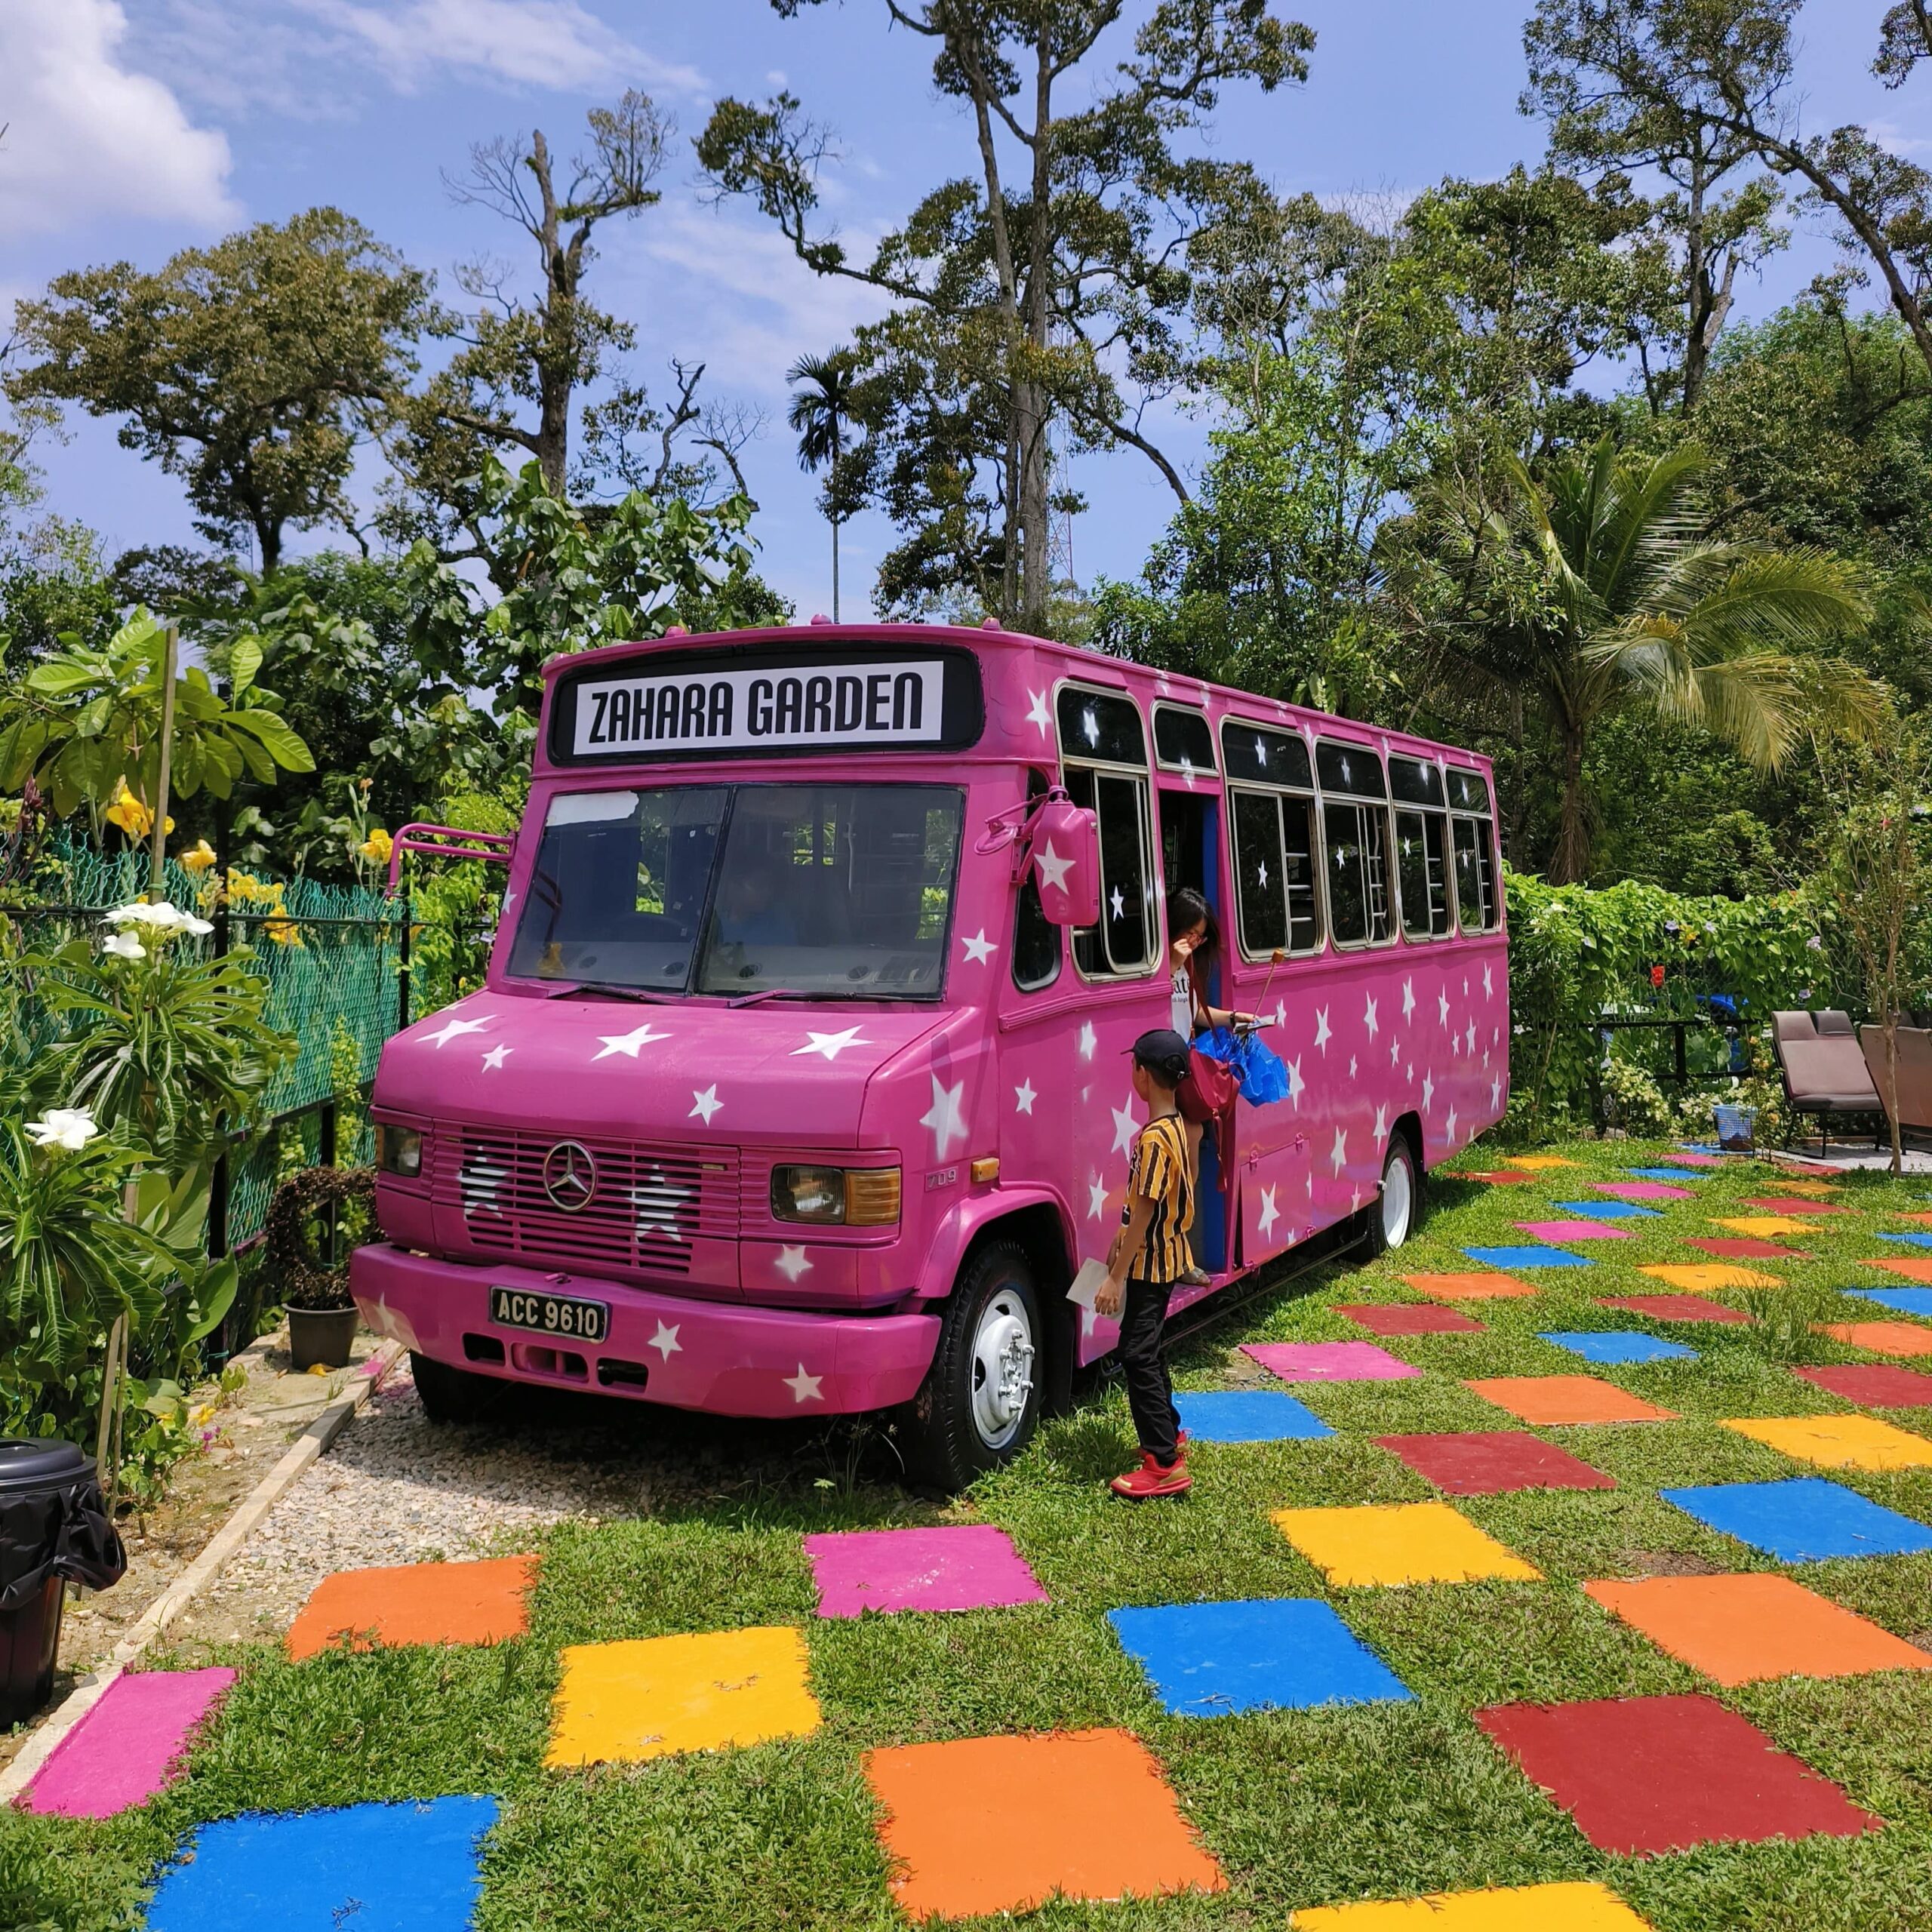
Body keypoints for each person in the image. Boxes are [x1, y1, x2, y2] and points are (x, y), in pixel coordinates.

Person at [1095, 1028, 1198, 1500]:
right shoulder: (1175, 1125)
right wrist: (1121, 1232)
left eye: (1133, 1065)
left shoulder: (1154, 1140)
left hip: (1150, 1265)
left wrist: (1115, 1277)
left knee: (1136, 1353)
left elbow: (1147, 1210)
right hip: (1166, 1256)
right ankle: (1170, 1434)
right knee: (1150, 1348)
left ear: (1143, 1074)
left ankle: (1165, 1463)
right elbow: (1144, 1206)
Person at [1165, 886, 1256, 1283]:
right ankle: (1173, 1256)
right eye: (1192, 933)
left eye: (1201, 937)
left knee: (1190, 1155)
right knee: (1179, 1158)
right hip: (1160, 1070)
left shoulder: (1186, 967)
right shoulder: (1161, 963)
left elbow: (1195, 1015)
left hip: (1182, 1069)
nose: (1196, 943)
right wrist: (1168, 964)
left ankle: (1179, 1252)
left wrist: (1233, 1017)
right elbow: (1142, 1004)